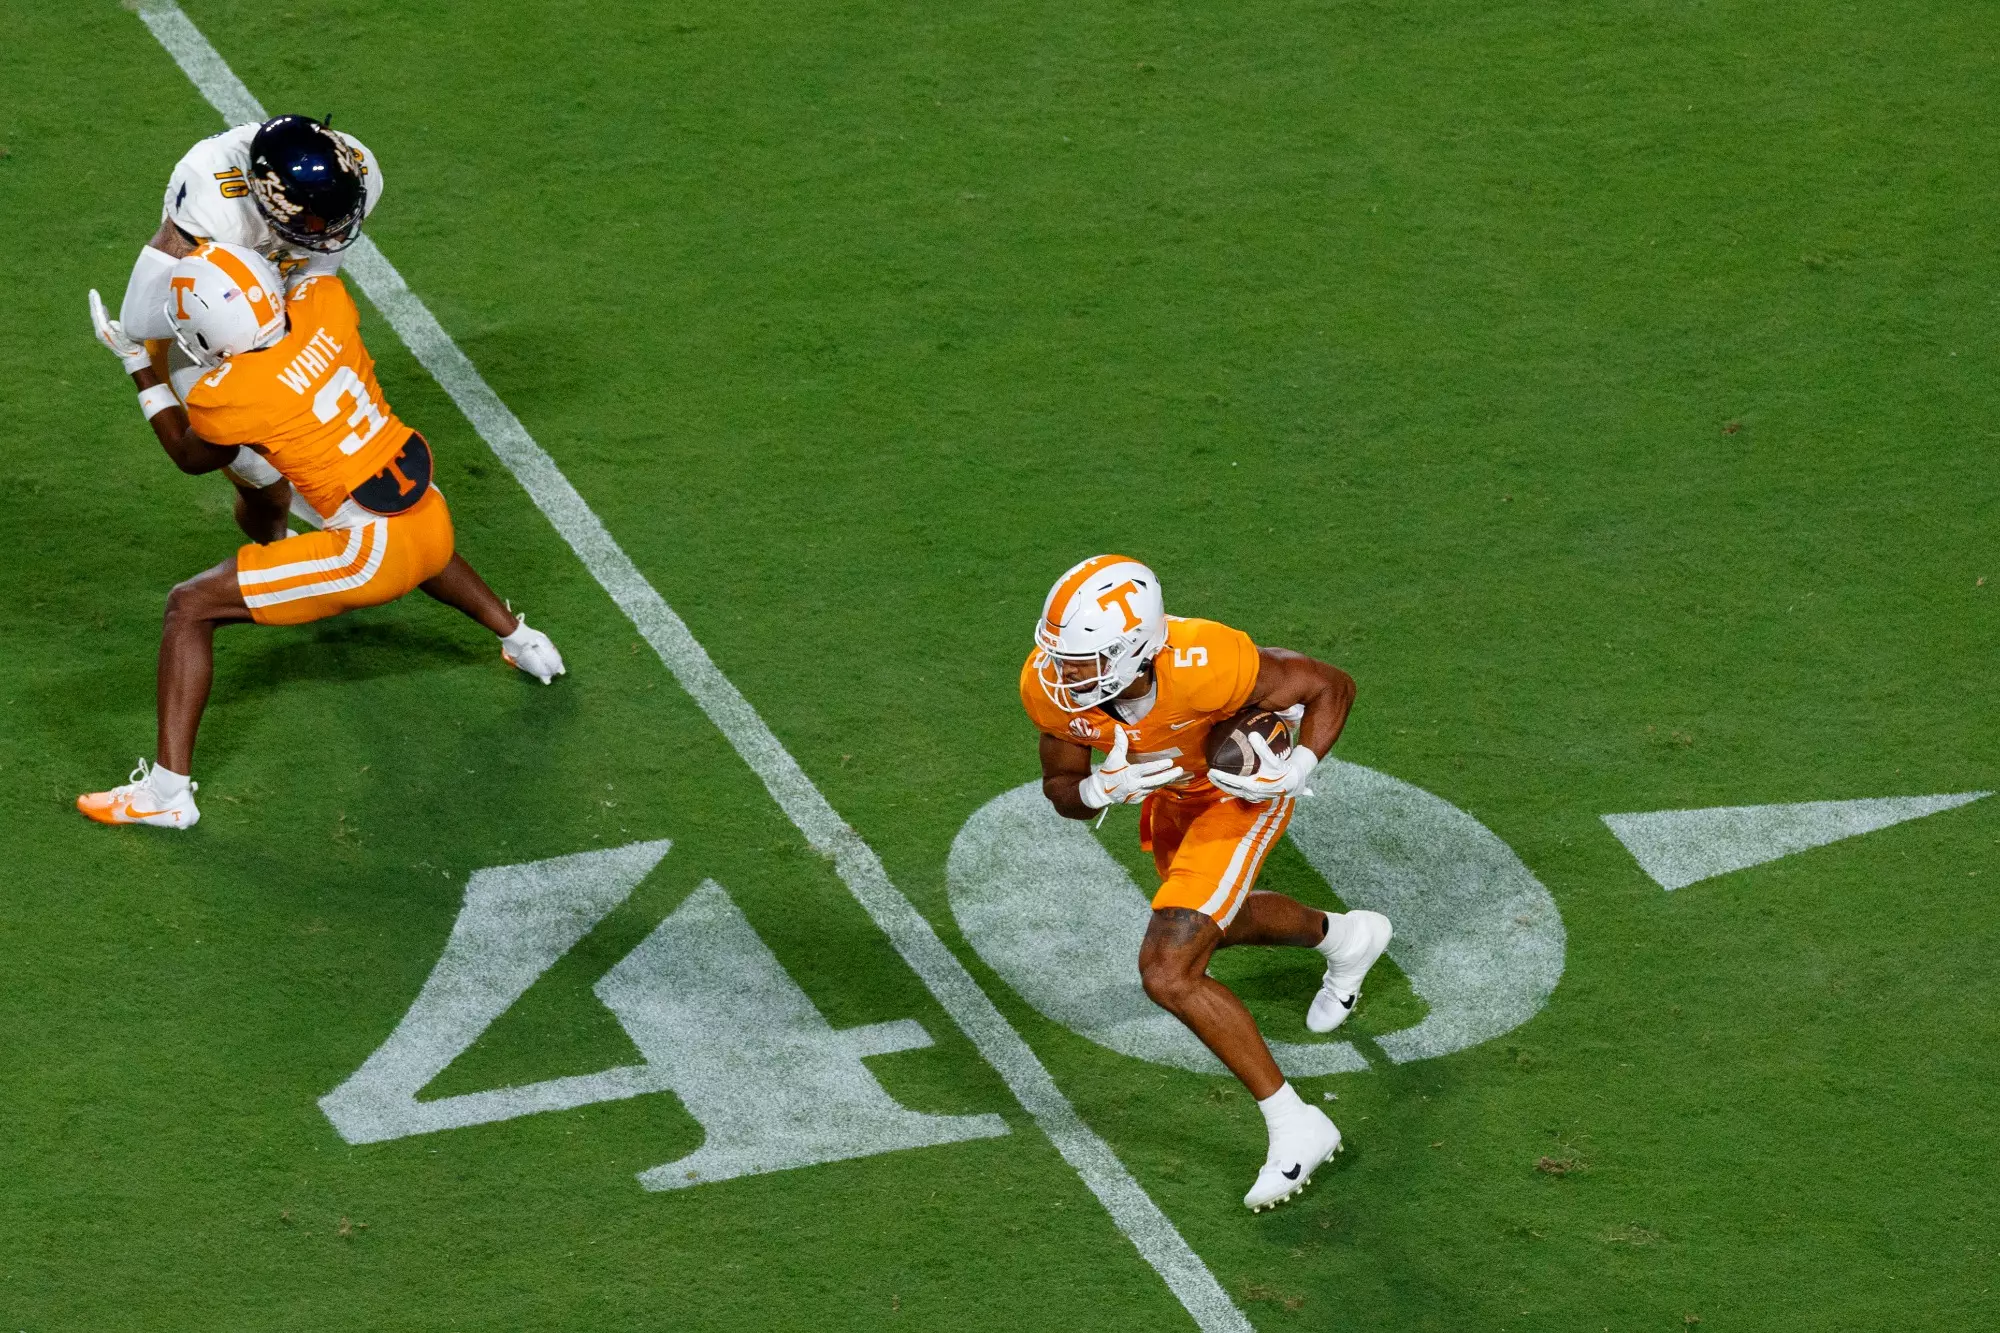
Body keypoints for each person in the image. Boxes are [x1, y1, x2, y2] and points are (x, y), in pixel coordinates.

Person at [79, 240, 564, 830]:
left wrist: (136, 360)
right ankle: (523, 640)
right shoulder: (326, 307)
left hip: (366, 553)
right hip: (426, 508)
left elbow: (189, 454)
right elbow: (310, 275)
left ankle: (166, 796)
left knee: (188, 607)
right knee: (419, 541)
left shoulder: (228, 394)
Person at [1022, 555, 1393, 1212]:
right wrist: (1094, 787)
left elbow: (1330, 685)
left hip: (1240, 792)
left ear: (1134, 646)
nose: (1061, 673)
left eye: (1080, 661)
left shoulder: (1205, 659)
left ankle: (1295, 1123)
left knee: (1168, 967)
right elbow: (1060, 786)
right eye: (1059, 657)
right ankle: (1346, 937)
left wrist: (1295, 766)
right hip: (1170, 798)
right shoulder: (1048, 686)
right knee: (1217, 924)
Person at [118, 114, 383, 534]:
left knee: (328, 444)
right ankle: (274, 548)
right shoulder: (214, 201)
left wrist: (289, 349)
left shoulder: (357, 170)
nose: (332, 233)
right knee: (267, 488)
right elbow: (141, 317)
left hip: (276, 304)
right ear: (268, 201)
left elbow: (316, 278)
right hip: (207, 330)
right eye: (314, 222)